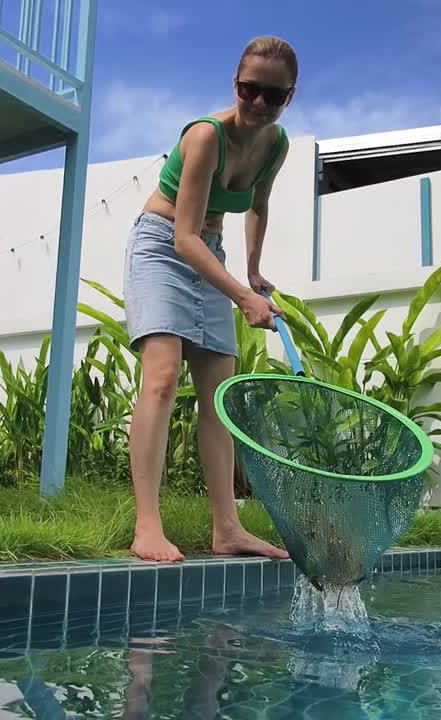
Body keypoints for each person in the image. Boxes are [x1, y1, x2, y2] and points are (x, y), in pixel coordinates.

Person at [121, 36, 299, 562]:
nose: (260, 104)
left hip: (212, 253)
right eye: (250, 90)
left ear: (290, 96)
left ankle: (227, 529)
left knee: (219, 399)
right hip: (164, 244)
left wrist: (254, 270)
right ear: (235, 85)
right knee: (161, 377)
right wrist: (243, 295)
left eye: (274, 95)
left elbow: (258, 206)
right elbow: (184, 236)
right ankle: (147, 527)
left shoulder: (276, 145)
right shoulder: (205, 137)